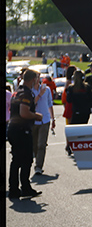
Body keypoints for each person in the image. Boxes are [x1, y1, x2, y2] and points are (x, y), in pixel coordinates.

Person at [8, 69, 44, 199]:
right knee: (26, 160)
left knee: (16, 159)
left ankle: (13, 189)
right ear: (33, 79)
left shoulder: (17, 92)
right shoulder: (26, 93)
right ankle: (25, 187)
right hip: (22, 130)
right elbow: (24, 112)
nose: (38, 81)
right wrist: (36, 116)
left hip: (13, 128)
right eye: (37, 78)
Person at [31, 73, 55, 175]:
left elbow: (50, 103)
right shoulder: (30, 90)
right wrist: (39, 94)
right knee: (34, 145)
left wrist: (53, 118)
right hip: (33, 120)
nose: (37, 80)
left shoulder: (47, 89)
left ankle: (38, 166)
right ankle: (37, 158)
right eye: (36, 78)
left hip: (45, 120)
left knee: (41, 144)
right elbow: (31, 104)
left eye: (38, 77)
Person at [62, 65, 77, 155]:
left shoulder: (70, 82)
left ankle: (70, 144)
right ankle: (68, 144)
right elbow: (65, 97)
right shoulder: (69, 83)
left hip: (70, 105)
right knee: (70, 125)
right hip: (70, 105)